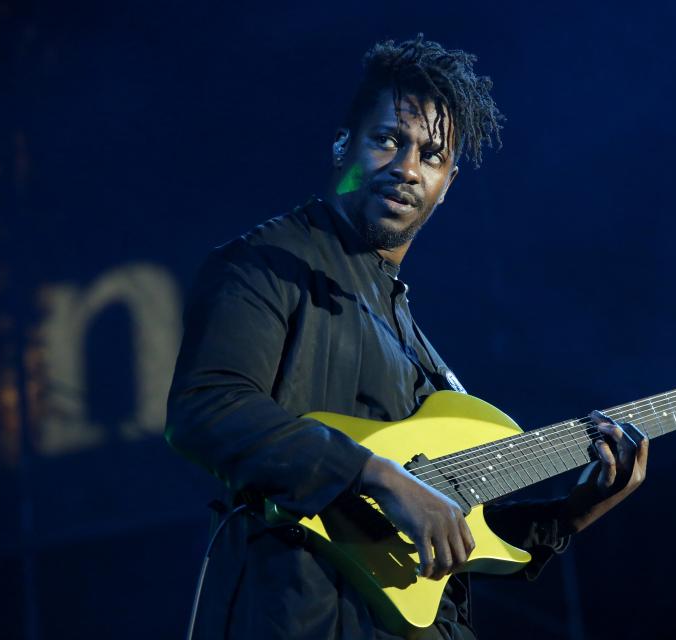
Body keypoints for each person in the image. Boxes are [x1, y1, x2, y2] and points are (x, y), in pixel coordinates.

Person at [165, 35, 649, 639]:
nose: (407, 167)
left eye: (432, 154)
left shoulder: (410, 334)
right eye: (389, 139)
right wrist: (381, 476)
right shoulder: (265, 262)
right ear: (344, 143)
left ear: (448, 183)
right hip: (302, 617)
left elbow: (460, 531)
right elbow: (207, 409)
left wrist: (580, 508)